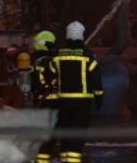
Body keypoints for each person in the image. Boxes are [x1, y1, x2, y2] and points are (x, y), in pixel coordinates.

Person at [46, 21, 103, 163]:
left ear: (67, 36)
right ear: (81, 36)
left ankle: (65, 159)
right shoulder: (88, 55)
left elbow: (49, 74)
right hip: (82, 103)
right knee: (77, 134)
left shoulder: (58, 54)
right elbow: (96, 78)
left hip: (63, 102)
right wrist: (99, 97)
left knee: (65, 133)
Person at [29, 29, 58, 163]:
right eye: (52, 44)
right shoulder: (48, 61)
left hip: (40, 98)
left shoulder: (35, 59)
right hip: (51, 99)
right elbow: (54, 77)